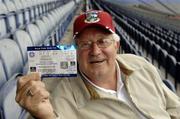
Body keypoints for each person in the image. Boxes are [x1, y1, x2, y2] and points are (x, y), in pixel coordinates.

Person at [16, 10, 180, 119]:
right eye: (85, 44)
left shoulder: (140, 65)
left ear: (116, 45)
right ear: (76, 50)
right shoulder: (61, 95)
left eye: (102, 42)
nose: (95, 51)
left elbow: (174, 107)